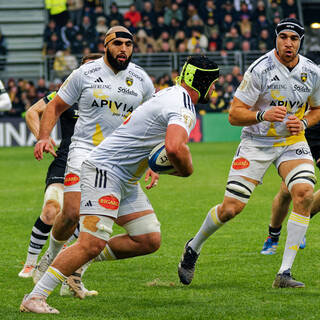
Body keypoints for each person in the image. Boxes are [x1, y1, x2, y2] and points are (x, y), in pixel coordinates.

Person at [20, 55, 220, 314]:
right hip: (105, 170)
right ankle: (35, 297)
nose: (215, 89)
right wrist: (186, 171)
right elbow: (174, 147)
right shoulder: (181, 103)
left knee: (148, 239)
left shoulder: (170, 95)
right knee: (91, 243)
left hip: (126, 177)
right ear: (201, 81)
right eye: (213, 83)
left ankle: (76, 264)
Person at [178, 18, 320, 289]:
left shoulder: (312, 72)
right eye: (283, 37)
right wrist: (261, 114)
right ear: (276, 39)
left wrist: (302, 123)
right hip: (256, 143)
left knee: (303, 193)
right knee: (232, 208)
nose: (288, 43)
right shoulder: (260, 70)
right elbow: (233, 114)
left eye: (294, 38)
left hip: (291, 141)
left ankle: (285, 273)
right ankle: (193, 248)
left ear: (300, 42)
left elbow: (317, 109)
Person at [30, 26, 155, 297]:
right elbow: (53, 107)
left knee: (141, 236)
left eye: (129, 44)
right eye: (118, 43)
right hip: (84, 152)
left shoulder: (142, 80)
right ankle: (50, 258)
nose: (124, 49)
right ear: (106, 45)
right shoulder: (84, 74)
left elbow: (151, 122)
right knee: (72, 214)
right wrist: (43, 137)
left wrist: (153, 162)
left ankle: (72, 270)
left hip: (120, 162)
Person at [18, 54, 102, 281]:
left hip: (96, 166)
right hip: (65, 161)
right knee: (50, 210)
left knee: (81, 220)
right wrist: (41, 138)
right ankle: (30, 264)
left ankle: (62, 267)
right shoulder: (67, 92)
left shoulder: (111, 97)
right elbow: (32, 112)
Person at [260, 121, 320, 255]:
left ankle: (300, 222)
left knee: (300, 198)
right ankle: (273, 236)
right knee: (287, 190)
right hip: (306, 130)